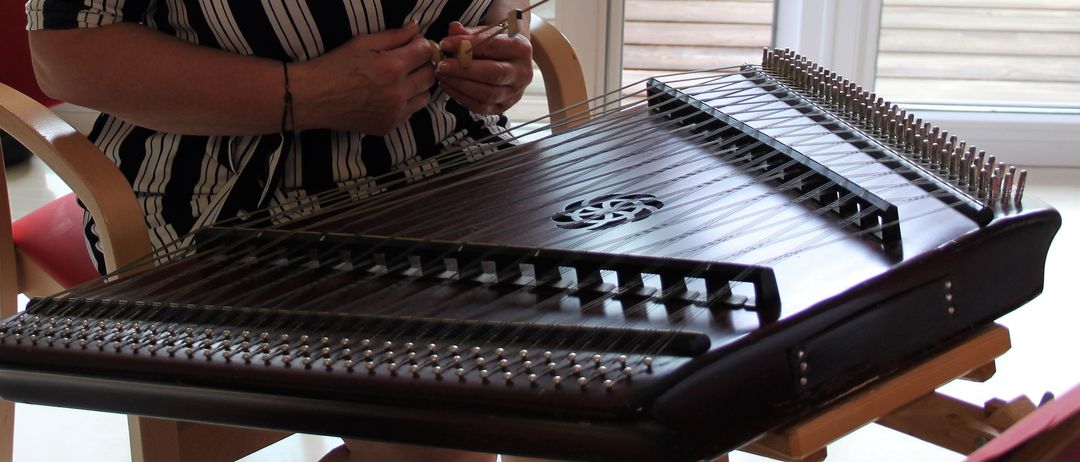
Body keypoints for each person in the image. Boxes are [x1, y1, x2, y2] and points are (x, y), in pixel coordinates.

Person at [27, 1, 536, 460]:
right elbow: (62, 51)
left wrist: (503, 41)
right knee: (433, 433)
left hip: (456, 157)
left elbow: (502, 6)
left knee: (576, 384)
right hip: (235, 194)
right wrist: (307, 94)